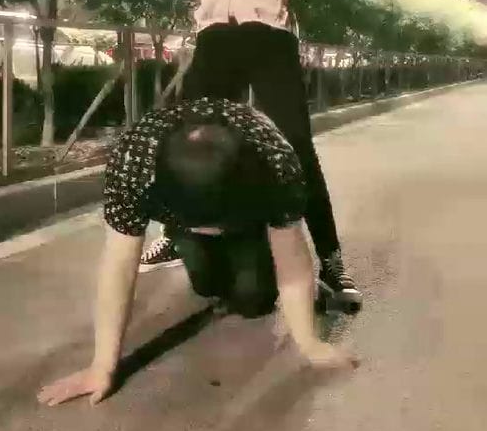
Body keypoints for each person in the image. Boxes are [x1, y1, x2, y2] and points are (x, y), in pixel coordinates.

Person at [140, 0, 365, 314]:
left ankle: (331, 260)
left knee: (295, 146)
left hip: (268, 38)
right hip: (216, 37)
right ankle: (175, 232)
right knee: (188, 137)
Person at [37, 98, 359, 408]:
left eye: (215, 226)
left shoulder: (276, 162)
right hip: (182, 215)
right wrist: (102, 366)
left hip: (246, 216)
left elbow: (292, 258)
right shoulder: (133, 163)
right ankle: (182, 241)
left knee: (255, 301)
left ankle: (245, 241)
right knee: (207, 285)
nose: (213, 231)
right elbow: (119, 264)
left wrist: (310, 344)